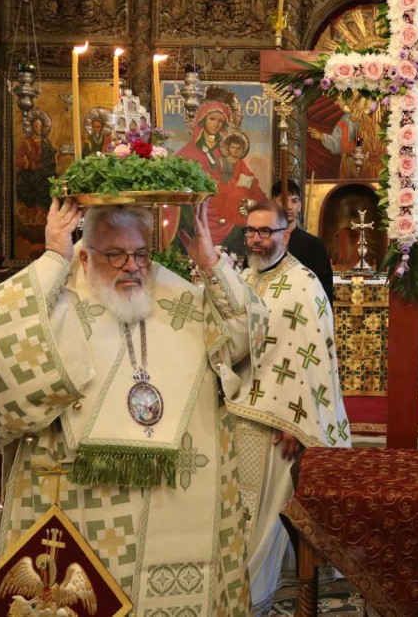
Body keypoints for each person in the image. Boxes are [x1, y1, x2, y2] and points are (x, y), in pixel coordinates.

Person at [0, 199, 268, 615]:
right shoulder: (59, 297)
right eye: (116, 255)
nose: (132, 266)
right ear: (86, 254)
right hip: (88, 500)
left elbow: (247, 331)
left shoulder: (177, 296)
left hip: (174, 501)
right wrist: (54, 255)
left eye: (141, 254)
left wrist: (210, 262)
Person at [229, 200, 350, 614]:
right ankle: (244, 597)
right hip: (242, 414)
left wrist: (298, 425)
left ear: (286, 234)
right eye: (251, 231)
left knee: (265, 522)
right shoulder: (244, 277)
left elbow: (312, 358)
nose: (257, 240)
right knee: (241, 514)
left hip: (281, 424)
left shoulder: (304, 284)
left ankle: (252, 603)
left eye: (266, 232)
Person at [177, 99, 266, 250]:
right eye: (212, 119)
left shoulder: (229, 148)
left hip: (226, 207)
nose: (216, 124)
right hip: (201, 203)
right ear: (203, 119)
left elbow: (246, 176)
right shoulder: (189, 152)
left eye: (221, 121)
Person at [271, 180, 334, 304]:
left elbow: (324, 289)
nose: (289, 206)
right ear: (272, 204)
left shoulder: (314, 245)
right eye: (283, 200)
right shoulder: (266, 243)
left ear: (299, 206)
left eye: (294, 201)